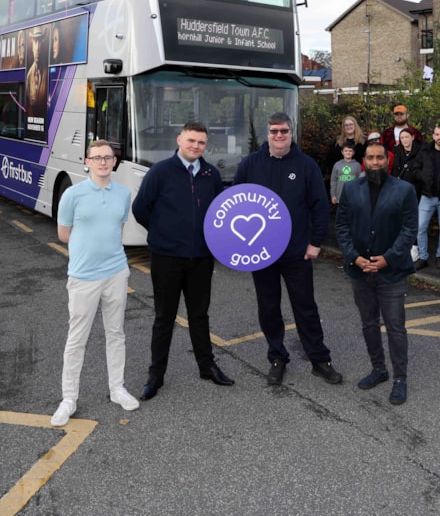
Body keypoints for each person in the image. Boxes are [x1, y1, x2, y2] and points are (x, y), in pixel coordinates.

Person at [234, 112, 341, 386]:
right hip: (261, 254)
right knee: (268, 308)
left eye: (284, 131)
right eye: (273, 131)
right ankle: (277, 357)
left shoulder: (306, 166)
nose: (279, 136)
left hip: (296, 252)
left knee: (305, 307)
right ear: (267, 133)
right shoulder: (250, 165)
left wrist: (316, 242)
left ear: (291, 133)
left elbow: (319, 206)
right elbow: (236, 206)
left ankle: (319, 359)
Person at [131, 122, 233, 401]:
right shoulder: (160, 172)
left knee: (199, 315)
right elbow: (140, 209)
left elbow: (218, 213)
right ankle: (156, 375)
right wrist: (163, 233)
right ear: (179, 139)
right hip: (167, 258)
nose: (196, 146)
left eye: (201, 142)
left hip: (201, 258)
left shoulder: (211, 174)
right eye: (191, 141)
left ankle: (207, 366)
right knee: (164, 317)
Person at [50, 140, 139, 427]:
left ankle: (117, 389)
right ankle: (69, 399)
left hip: (116, 272)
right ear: (87, 161)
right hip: (83, 277)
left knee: (116, 333)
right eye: (97, 157)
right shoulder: (72, 195)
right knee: (77, 339)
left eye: (108, 157)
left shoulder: (123, 194)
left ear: (115, 162)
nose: (103, 162)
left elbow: (118, 228)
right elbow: (64, 235)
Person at [336, 140, 419, 405]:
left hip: (391, 272)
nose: (374, 162)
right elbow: (341, 227)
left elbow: (409, 230)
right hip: (360, 271)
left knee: (395, 328)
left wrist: (388, 259)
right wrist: (354, 257)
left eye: (379, 158)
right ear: (364, 161)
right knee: (369, 324)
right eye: (370, 158)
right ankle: (378, 369)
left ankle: (400, 379)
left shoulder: (404, 190)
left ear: (387, 160)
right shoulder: (350, 189)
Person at [410, 124, 440, 271]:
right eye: (437, 134)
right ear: (433, 136)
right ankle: (423, 257)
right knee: (420, 227)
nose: (439, 137)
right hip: (427, 195)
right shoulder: (424, 151)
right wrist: (423, 177)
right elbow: (415, 169)